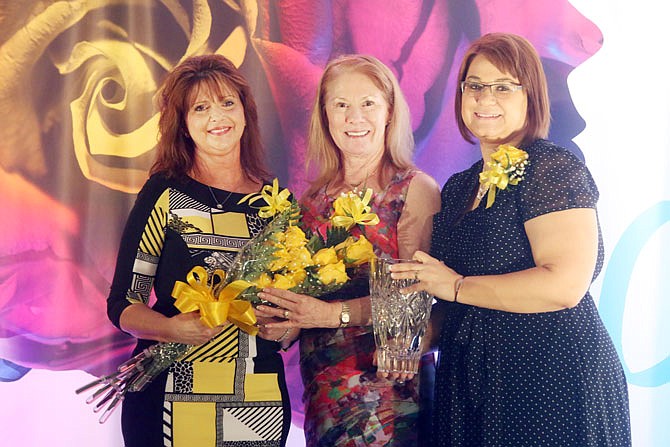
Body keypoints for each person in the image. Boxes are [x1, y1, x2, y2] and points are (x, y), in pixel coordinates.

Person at [390, 33, 631, 446]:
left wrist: (455, 285)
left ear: (531, 97)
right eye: (475, 86)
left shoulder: (551, 169)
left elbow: (563, 286)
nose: (486, 99)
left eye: (504, 86)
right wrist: (415, 339)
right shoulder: (460, 187)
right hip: (472, 381)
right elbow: (457, 301)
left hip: (551, 380)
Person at [255, 54, 441, 446]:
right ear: (325, 115)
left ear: (389, 112)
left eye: (368, 104)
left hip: (390, 390)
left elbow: (416, 299)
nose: (355, 117)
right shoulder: (310, 201)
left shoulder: (413, 190)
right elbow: (305, 298)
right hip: (324, 390)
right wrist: (284, 321)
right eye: (341, 105)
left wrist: (329, 314)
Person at [106, 54, 292, 447]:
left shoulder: (275, 201)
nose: (217, 117)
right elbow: (123, 304)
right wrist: (172, 328)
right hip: (167, 394)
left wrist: (289, 325)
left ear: (245, 112)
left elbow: (290, 300)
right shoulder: (165, 193)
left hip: (256, 397)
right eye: (201, 107)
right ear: (184, 125)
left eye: (228, 102)